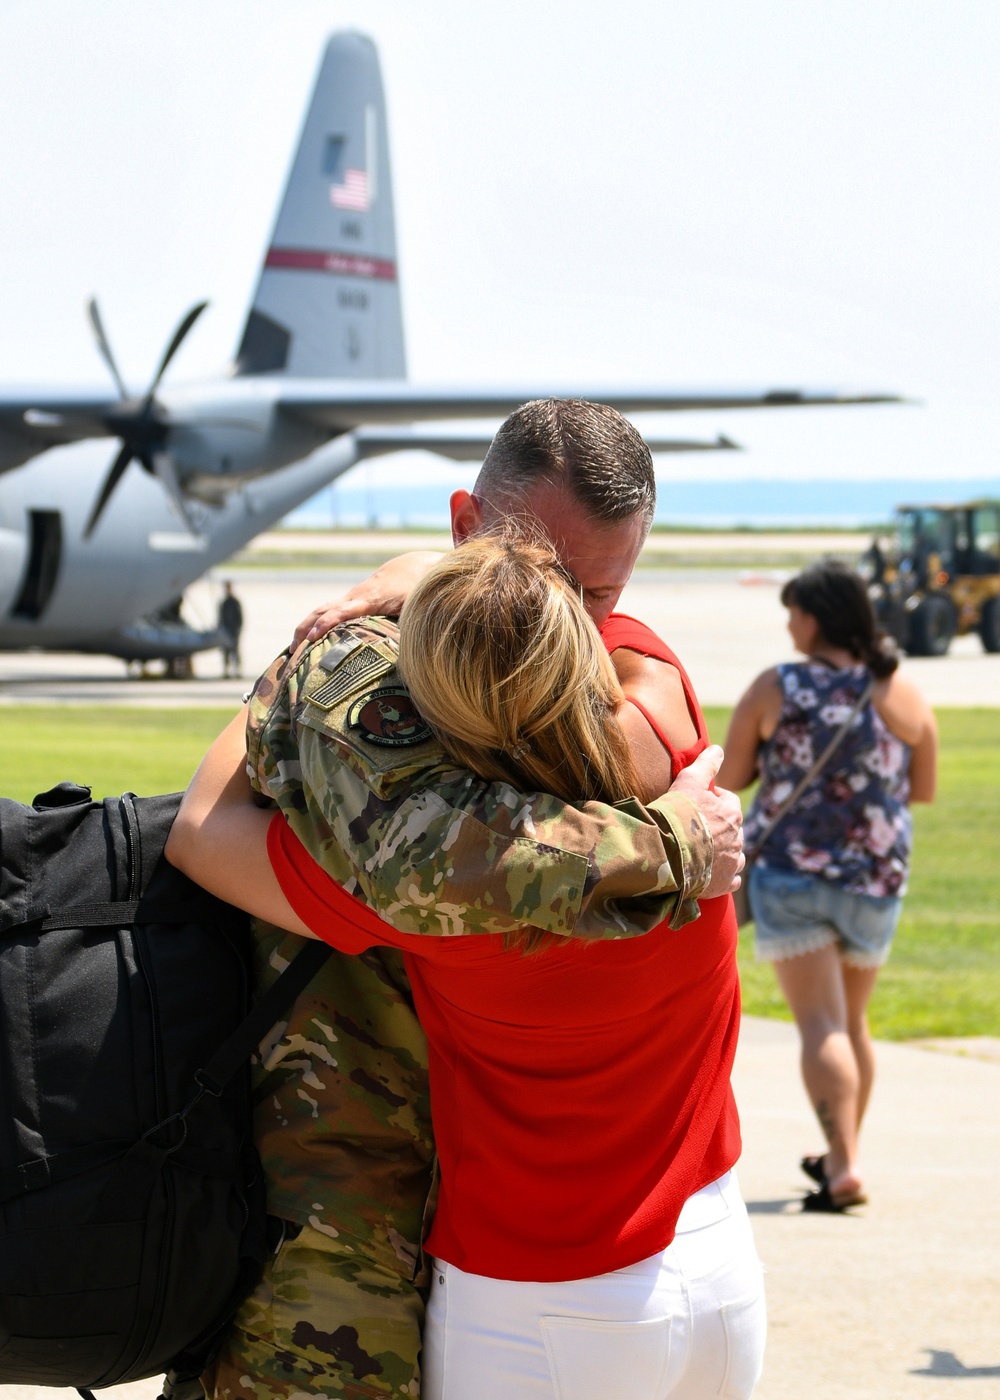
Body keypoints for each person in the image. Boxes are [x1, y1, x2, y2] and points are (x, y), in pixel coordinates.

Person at [172, 398, 745, 1400]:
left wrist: (318, 654)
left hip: (543, 1299)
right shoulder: (674, 741)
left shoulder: (428, 877)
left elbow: (198, 830)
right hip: (714, 1265)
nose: (580, 613)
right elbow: (619, 698)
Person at [718, 558, 937, 1211]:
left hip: (795, 871)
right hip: (876, 876)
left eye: (792, 610)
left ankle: (841, 1165)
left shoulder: (777, 686)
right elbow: (920, 789)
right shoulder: (900, 690)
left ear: (813, 617)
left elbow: (730, 777)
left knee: (820, 1025)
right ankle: (845, 1154)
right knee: (852, 1022)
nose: (789, 622)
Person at [219, 580, 244, 678]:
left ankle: (237, 671)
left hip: (234, 631)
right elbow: (221, 618)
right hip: (226, 631)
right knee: (226, 652)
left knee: (235, 652)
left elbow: (240, 617)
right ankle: (226, 672)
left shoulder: (235, 602)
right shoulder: (224, 602)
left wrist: (237, 630)